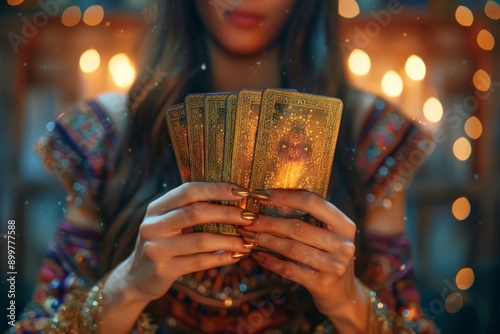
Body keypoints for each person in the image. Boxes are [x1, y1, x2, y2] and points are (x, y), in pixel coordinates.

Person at [14, 0, 438, 333]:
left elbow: (408, 322)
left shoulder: (370, 134)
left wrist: (349, 302)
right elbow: (37, 326)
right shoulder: (106, 132)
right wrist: (128, 285)